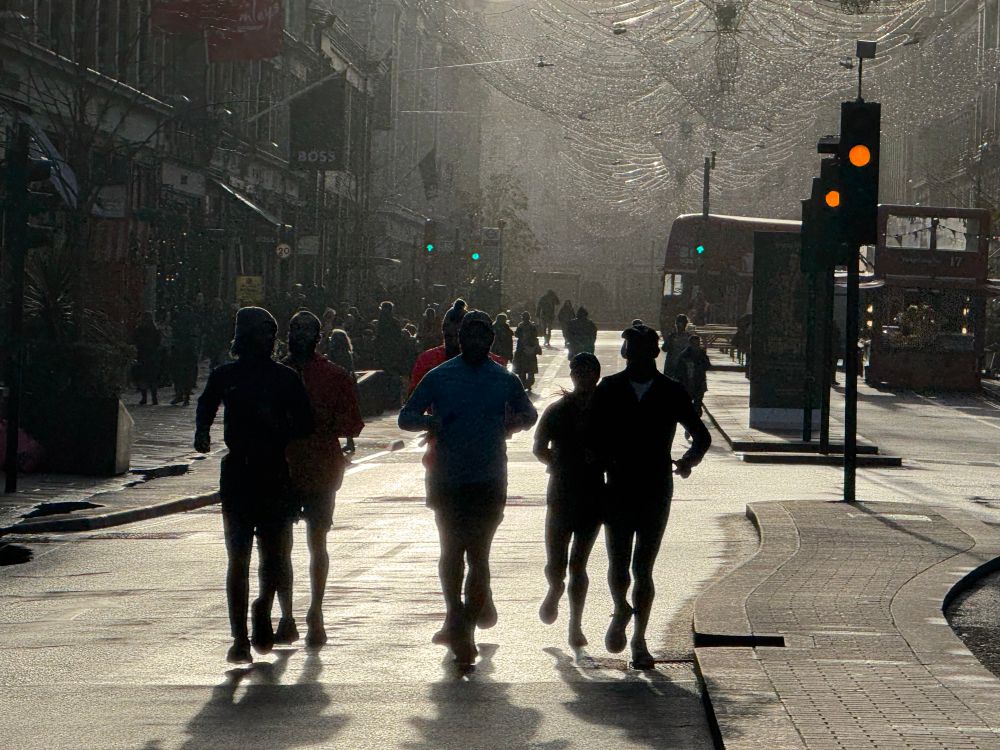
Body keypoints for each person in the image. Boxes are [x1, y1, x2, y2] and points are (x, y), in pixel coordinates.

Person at [398, 311, 538, 667]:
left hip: (489, 477)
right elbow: (406, 416)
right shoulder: (440, 376)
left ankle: (465, 629)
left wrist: (513, 423)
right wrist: (432, 421)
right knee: (451, 552)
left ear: (491, 341)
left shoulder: (503, 379)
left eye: (483, 337)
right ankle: (456, 616)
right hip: (447, 477)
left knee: (478, 555)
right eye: (469, 337)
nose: (476, 343)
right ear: (459, 339)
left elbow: (530, 414)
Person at [194, 307, 313, 664]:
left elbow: (306, 423)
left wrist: (278, 428)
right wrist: (201, 431)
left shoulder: (286, 378)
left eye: (268, 333)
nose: (263, 340)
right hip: (238, 474)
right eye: (256, 333)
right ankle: (239, 637)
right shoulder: (225, 375)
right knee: (238, 558)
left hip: (275, 472)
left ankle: (263, 607)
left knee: (275, 557)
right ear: (241, 338)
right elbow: (206, 404)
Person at [588, 324, 710, 669]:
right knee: (618, 564)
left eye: (643, 348)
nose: (636, 354)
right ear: (626, 353)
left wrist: (687, 461)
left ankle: (640, 639)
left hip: (655, 487)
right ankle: (620, 608)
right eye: (633, 348)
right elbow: (591, 435)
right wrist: (596, 462)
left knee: (643, 566)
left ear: (654, 352)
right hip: (619, 484)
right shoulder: (609, 389)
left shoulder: (671, 391)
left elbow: (700, 435)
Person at [277, 311, 364, 647]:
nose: (298, 336)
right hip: (282, 467)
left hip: (320, 467)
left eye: (305, 330)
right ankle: (287, 614)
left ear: (317, 336)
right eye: (293, 329)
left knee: (316, 542)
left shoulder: (334, 375)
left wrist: (323, 419)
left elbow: (353, 423)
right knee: (280, 545)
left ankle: (315, 610)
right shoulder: (275, 374)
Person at [533, 352, 603, 648]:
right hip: (560, 492)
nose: (582, 377)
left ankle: (575, 625)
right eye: (577, 372)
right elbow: (538, 446)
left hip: (593, 495)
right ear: (572, 376)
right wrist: (556, 461)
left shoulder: (608, 412)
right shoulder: (557, 410)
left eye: (588, 372)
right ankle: (554, 588)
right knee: (556, 563)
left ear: (596, 376)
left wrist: (601, 459)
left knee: (579, 565)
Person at [677, 334, 711, 440]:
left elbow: (708, 366)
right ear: (690, 343)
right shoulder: (684, 355)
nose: (696, 345)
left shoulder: (702, 353)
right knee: (689, 408)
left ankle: (693, 428)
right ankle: (689, 428)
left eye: (698, 343)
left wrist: (701, 363)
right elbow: (678, 371)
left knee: (697, 406)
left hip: (699, 383)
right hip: (688, 385)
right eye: (694, 343)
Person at [170, 304, 200, 406]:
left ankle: (180, 395)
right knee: (187, 375)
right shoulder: (193, 327)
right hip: (187, 353)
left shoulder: (179, 326)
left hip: (181, 352)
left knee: (179, 375)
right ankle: (185, 396)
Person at [132, 312, 162, 405]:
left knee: (143, 377)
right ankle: (154, 398)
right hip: (153, 356)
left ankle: (144, 397)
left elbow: (134, 340)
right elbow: (158, 342)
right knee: (152, 377)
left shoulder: (139, 330)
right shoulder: (155, 330)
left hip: (142, 355)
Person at [514, 311, 541, 391]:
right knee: (531, 368)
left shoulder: (520, 326)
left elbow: (516, 335)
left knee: (522, 368)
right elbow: (536, 335)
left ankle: (523, 383)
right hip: (531, 350)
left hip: (521, 350)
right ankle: (529, 383)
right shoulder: (532, 326)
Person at [661, 313, 691, 380]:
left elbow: (664, 348)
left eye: (679, 324)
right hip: (683, 366)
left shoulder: (672, 336)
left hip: (672, 365)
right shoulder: (689, 337)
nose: (678, 326)